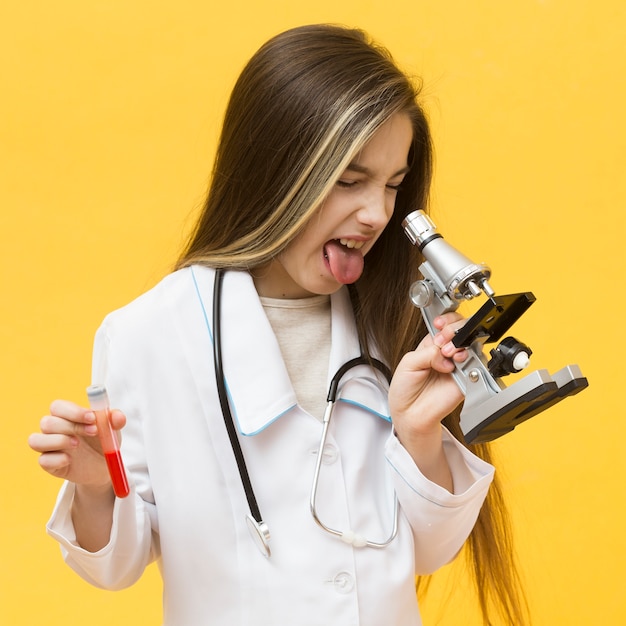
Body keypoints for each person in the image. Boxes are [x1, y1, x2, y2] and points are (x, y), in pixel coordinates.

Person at [29, 24, 527, 626]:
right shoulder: (150, 334)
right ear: (274, 172)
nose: (377, 215)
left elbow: (427, 550)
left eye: (394, 186)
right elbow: (115, 566)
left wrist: (420, 437)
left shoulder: (398, 326)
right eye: (349, 180)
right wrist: (94, 486)